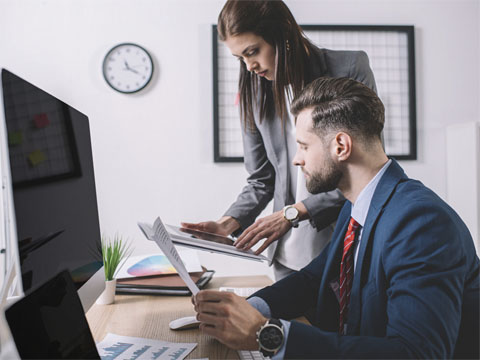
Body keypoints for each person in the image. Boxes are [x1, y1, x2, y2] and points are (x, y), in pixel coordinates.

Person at [193, 77, 480, 359]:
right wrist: (248, 309)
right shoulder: (356, 206)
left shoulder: (420, 223)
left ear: (341, 146)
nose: (297, 159)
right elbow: (311, 279)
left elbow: (417, 353)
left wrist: (265, 333)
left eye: (304, 146)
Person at [182, 0, 377, 280]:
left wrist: (293, 213)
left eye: (253, 52)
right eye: (241, 58)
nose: (250, 66)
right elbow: (262, 179)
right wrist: (226, 223)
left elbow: (364, 170)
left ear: (283, 33)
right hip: (284, 255)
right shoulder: (254, 93)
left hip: (344, 249)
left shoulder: (349, 68)